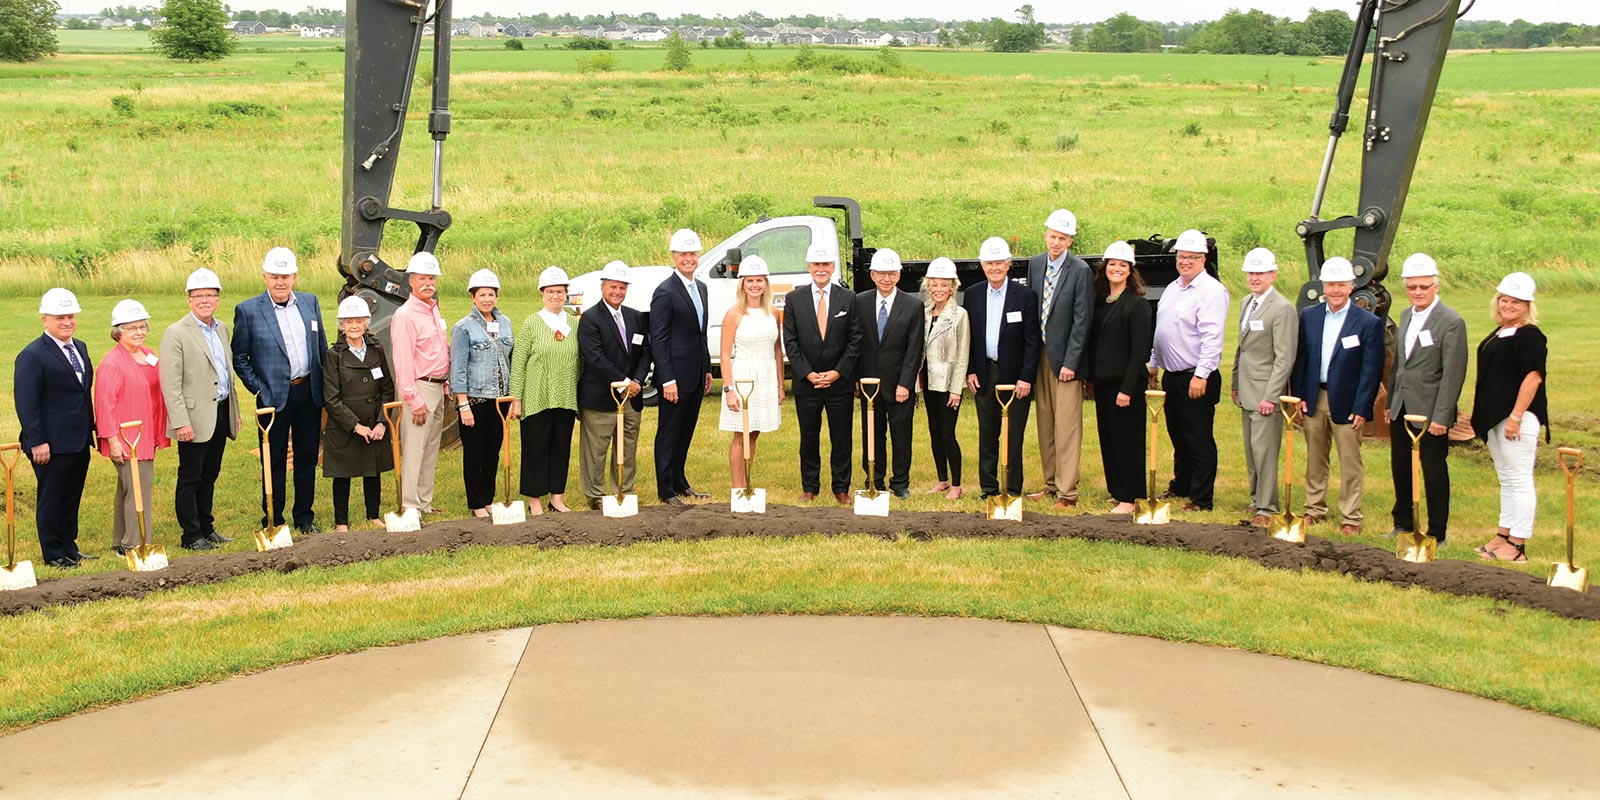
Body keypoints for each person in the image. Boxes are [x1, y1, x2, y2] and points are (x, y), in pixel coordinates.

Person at [232, 247, 328, 535]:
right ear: (265, 277)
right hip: (273, 398)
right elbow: (240, 357)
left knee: (307, 457)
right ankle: (274, 519)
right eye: (274, 276)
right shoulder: (248, 310)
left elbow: (320, 347)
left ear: (295, 277)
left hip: (308, 392)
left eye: (285, 276)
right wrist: (259, 389)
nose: (280, 282)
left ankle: (304, 516)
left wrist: (323, 388)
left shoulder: (310, 303)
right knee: (272, 460)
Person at [1289, 257, 1384, 535]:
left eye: (1341, 285)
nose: (1336, 290)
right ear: (1323, 286)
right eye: (1331, 285)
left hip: (1348, 400)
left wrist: (1362, 406)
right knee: (1316, 456)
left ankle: (1351, 516)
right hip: (1314, 396)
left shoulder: (1367, 322)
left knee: (1350, 460)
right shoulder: (1310, 316)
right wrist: (1301, 395)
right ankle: (1314, 508)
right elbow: (1302, 359)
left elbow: (1371, 370)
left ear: (1351, 287)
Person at [1388, 253, 1469, 543]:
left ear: (1435, 286)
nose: (1418, 292)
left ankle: (1437, 531)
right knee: (1401, 467)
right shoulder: (1406, 315)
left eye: (1424, 286)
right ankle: (1403, 523)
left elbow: (1453, 374)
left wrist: (1441, 416)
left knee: (1433, 471)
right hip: (1403, 407)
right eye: (1412, 287)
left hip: (1431, 411)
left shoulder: (1450, 321)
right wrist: (1390, 404)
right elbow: (1400, 363)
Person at [160, 268, 241, 551]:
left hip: (218, 411)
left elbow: (226, 373)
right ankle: (191, 534)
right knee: (190, 477)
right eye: (198, 296)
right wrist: (180, 422)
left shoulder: (221, 329)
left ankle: (207, 527)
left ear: (217, 299)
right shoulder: (177, 333)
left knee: (210, 474)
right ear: (189, 300)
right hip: (193, 418)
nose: (204, 300)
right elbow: (170, 383)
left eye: (210, 295)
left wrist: (234, 413)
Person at [15, 288, 97, 568]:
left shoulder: (80, 347)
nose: (67, 322)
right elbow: (26, 403)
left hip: (78, 438)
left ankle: (69, 546)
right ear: (44, 319)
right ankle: (53, 552)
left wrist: (91, 429)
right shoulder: (33, 355)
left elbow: (81, 392)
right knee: (52, 498)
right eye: (60, 317)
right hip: (50, 443)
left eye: (71, 316)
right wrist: (37, 441)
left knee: (71, 496)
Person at [1148, 229, 1228, 512]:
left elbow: (1212, 338)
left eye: (1192, 257)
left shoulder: (1211, 292)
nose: (1185, 262)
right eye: (1182, 256)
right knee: (1178, 434)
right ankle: (1182, 484)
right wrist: (1155, 365)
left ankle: (1202, 497)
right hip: (1172, 375)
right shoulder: (1173, 288)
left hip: (1195, 375)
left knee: (1198, 438)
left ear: (1203, 259)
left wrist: (1201, 375)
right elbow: (1162, 331)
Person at [1471, 272, 1547, 562]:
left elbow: (1533, 378)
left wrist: (1516, 416)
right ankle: (1503, 535)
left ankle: (1517, 545)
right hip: (1496, 417)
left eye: (1516, 301)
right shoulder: (1499, 331)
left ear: (1527, 305)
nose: (1508, 305)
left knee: (1520, 478)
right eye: (1504, 299)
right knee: (1507, 478)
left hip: (1518, 418)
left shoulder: (1530, 336)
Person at [782, 240, 861, 505]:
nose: (821, 269)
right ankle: (810, 486)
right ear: (809, 267)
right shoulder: (794, 299)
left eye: (826, 264)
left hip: (840, 384)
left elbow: (855, 340)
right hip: (808, 384)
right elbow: (790, 341)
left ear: (833, 266)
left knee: (841, 438)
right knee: (808, 437)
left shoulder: (848, 298)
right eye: (816, 264)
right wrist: (807, 373)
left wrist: (838, 373)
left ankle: (841, 487)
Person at [965, 237, 1041, 500]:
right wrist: (971, 371)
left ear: (1008, 265)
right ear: (982, 266)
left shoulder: (1025, 296)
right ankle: (988, 488)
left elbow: (1032, 341)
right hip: (985, 373)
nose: (994, 268)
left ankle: (1013, 488)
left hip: (1014, 377)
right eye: (989, 263)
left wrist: (1026, 378)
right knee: (988, 433)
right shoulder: (973, 295)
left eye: (999, 263)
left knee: (1013, 435)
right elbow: (970, 338)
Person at [1028, 209, 1094, 510]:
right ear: (1045, 235)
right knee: (1045, 420)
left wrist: (1072, 362)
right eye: (1052, 236)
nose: (1056, 242)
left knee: (1066, 425)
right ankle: (1051, 483)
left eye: (1062, 238)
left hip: (1065, 359)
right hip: (1041, 354)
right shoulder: (1036, 264)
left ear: (1071, 241)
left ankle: (1068, 492)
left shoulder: (1079, 270)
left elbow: (1082, 321)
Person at [94, 299, 169, 557]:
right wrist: (112, 440)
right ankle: (135, 544)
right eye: (131, 328)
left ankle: (121, 540)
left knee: (127, 488)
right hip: (127, 438)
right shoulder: (112, 363)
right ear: (118, 332)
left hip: (145, 433)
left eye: (142, 326)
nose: (139, 332)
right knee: (139, 489)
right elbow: (104, 405)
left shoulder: (147, 353)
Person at [1230, 248, 1298, 527]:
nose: (1255, 278)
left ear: (1273, 275)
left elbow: (1285, 357)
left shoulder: (1282, 308)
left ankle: (1268, 508)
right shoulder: (1247, 301)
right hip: (1246, 388)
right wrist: (1235, 383)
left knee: (1265, 450)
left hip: (1265, 392)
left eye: (1260, 273)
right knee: (1251, 448)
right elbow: (1242, 348)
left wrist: (1272, 396)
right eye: (1251, 273)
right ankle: (1256, 498)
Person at [1085, 242, 1152, 514]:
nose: (1117, 269)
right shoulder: (1100, 303)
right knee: (1109, 439)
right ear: (1105, 268)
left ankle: (1131, 496)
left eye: (1122, 265)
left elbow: (1140, 351)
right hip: (1103, 384)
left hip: (1126, 386)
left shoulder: (1137, 305)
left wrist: (1127, 389)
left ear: (1130, 270)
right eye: (1112, 264)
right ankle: (1117, 490)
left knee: (1128, 441)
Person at [578, 261, 651, 509]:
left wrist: (637, 381)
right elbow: (596, 357)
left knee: (627, 447)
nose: (617, 292)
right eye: (613, 287)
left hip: (631, 396)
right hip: (601, 395)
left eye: (622, 287)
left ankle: (624, 489)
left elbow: (644, 353)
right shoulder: (589, 319)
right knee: (596, 449)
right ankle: (596, 495)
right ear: (603, 287)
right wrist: (624, 383)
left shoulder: (635, 317)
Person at [509, 266, 581, 515]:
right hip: (536, 397)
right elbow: (518, 363)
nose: (555, 296)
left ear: (566, 295)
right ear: (542, 294)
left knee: (561, 448)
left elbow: (580, 362)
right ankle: (535, 500)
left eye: (560, 291)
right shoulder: (531, 324)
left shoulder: (574, 323)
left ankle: (557, 498)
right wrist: (516, 399)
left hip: (565, 396)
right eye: (550, 291)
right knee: (535, 449)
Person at [854, 248, 925, 498]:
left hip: (899, 385)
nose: (886, 279)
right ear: (872, 274)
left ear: (899, 275)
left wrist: (906, 384)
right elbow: (856, 342)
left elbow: (914, 348)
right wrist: (857, 380)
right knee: (872, 434)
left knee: (901, 434)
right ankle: (874, 479)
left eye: (892, 273)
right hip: (868, 383)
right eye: (881, 273)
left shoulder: (913, 305)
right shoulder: (859, 302)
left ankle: (900, 482)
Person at [651, 228, 714, 505]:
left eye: (692, 254)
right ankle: (665, 489)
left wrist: (707, 368)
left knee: (685, 431)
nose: (688, 258)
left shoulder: (701, 287)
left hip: (696, 374)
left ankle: (679, 481)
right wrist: (667, 379)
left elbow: (701, 333)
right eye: (683, 254)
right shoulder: (664, 291)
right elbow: (660, 339)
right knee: (669, 432)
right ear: (674, 256)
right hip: (674, 377)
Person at [321, 296, 394, 532]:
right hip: (346, 425)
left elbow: (387, 389)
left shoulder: (376, 349)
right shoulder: (334, 355)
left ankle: (373, 515)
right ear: (342, 325)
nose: (354, 326)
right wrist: (355, 426)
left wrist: (382, 423)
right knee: (342, 474)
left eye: (359, 321)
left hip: (374, 421)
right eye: (348, 321)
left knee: (372, 472)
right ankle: (341, 522)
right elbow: (331, 398)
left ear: (367, 323)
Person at [389, 251, 450, 516]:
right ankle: (410, 505)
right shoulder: (405, 316)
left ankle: (424, 502)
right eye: (423, 278)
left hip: (437, 385)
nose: (428, 283)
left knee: (430, 449)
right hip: (419, 387)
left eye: (432, 278)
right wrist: (413, 399)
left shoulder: (433, 309)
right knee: (414, 449)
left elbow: (440, 350)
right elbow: (402, 362)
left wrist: (446, 386)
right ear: (411, 281)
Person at [450, 269, 515, 517]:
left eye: (491, 294)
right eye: (482, 295)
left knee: (492, 453)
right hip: (475, 401)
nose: (487, 299)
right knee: (474, 454)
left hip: (499, 400)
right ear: (473, 298)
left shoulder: (505, 323)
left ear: (496, 296)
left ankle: (489, 499)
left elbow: (510, 358)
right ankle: (476, 504)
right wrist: (463, 404)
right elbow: (458, 368)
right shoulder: (463, 328)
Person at [718, 255, 784, 490]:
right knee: (740, 434)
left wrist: (780, 385)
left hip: (765, 378)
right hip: (743, 378)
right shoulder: (734, 314)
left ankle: (748, 482)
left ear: (766, 283)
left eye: (759, 280)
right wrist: (728, 390)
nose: (755, 285)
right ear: (742, 285)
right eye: (750, 281)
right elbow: (725, 355)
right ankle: (738, 487)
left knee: (753, 432)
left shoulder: (773, 312)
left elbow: (777, 350)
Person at [921, 257, 970, 500]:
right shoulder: (925, 313)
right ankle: (942, 479)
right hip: (929, 381)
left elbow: (962, 354)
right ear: (928, 286)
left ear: (952, 287)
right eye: (935, 285)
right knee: (934, 430)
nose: (939, 290)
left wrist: (956, 389)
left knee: (947, 433)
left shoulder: (959, 315)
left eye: (944, 285)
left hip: (948, 383)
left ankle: (957, 484)